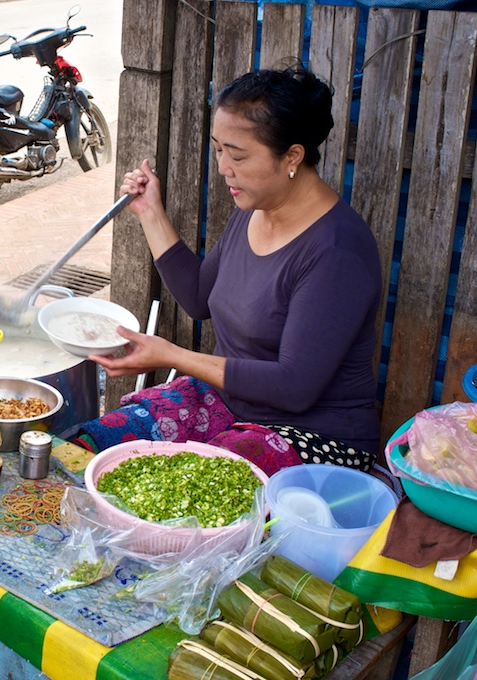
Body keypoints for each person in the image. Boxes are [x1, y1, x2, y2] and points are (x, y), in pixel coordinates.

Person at [92, 66, 382, 471]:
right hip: (228, 407)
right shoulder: (253, 208)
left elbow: (294, 386)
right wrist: (149, 213)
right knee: (101, 444)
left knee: (182, 486)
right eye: (218, 149)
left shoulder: (337, 251)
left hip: (316, 436)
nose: (223, 167)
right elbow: (198, 298)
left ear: (292, 157)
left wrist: (172, 355)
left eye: (238, 155)